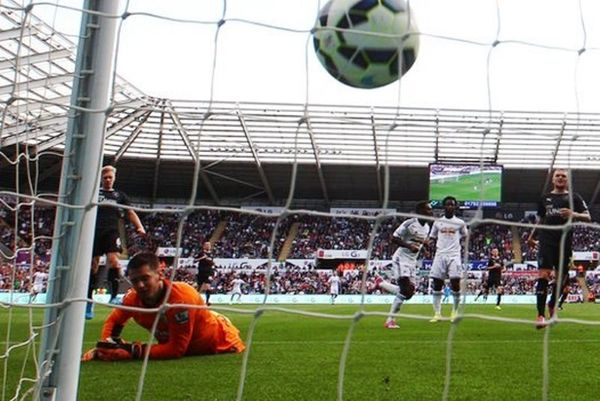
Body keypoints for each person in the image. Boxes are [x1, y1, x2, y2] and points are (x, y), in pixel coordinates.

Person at [82, 252, 245, 361]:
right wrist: (108, 347)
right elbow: (114, 321)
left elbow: (176, 350)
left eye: (145, 279)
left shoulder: (180, 300)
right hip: (191, 341)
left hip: (221, 342)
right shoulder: (132, 298)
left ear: (160, 274)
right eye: (135, 280)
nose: (140, 285)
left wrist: (132, 351)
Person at [527, 169, 590, 328]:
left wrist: (573, 213)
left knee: (561, 279)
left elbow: (587, 216)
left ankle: (552, 304)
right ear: (553, 180)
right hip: (546, 240)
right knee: (544, 274)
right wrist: (531, 236)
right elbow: (541, 219)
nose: (561, 178)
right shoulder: (544, 198)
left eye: (563, 176)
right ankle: (540, 315)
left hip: (564, 242)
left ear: (567, 180)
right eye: (558, 176)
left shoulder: (574, 197)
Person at [87, 165, 146, 319]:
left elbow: (130, 212)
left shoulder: (119, 195)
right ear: (101, 178)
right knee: (93, 265)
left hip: (111, 232)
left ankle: (113, 296)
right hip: (95, 231)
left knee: (114, 261)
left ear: (114, 178)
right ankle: (88, 300)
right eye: (105, 177)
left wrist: (139, 226)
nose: (107, 179)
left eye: (110, 177)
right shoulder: (95, 193)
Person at [375, 201, 433, 329]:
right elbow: (394, 238)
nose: (431, 212)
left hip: (412, 262)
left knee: (409, 293)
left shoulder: (427, 227)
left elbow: (418, 242)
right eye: (428, 210)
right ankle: (390, 320)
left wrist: (424, 248)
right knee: (405, 289)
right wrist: (408, 246)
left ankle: (381, 284)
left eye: (431, 210)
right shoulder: (409, 223)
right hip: (401, 259)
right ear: (420, 212)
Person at [429, 196, 468, 322]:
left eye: (452, 205)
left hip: (454, 255)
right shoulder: (437, 222)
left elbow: (465, 236)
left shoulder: (460, 223)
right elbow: (432, 237)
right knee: (437, 284)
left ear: (456, 207)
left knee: (455, 283)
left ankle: (454, 311)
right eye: (447, 204)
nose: (450, 206)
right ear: (444, 206)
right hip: (440, 255)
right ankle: (437, 313)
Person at [195, 241, 215, 305]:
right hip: (201, 272)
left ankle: (207, 301)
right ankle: (195, 299)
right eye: (207, 245)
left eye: (209, 245)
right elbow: (194, 260)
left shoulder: (211, 254)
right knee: (199, 288)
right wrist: (202, 258)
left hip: (208, 273)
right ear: (204, 246)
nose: (209, 246)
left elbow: (212, 262)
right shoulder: (201, 253)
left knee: (208, 287)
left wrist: (213, 263)